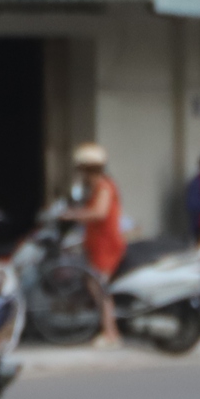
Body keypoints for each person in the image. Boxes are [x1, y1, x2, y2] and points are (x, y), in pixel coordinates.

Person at [60, 141, 125, 346]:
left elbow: (100, 212)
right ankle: (106, 329)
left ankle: (111, 334)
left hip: (107, 246)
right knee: (94, 285)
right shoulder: (96, 187)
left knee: (100, 288)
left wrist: (73, 215)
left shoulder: (104, 186)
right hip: (97, 245)